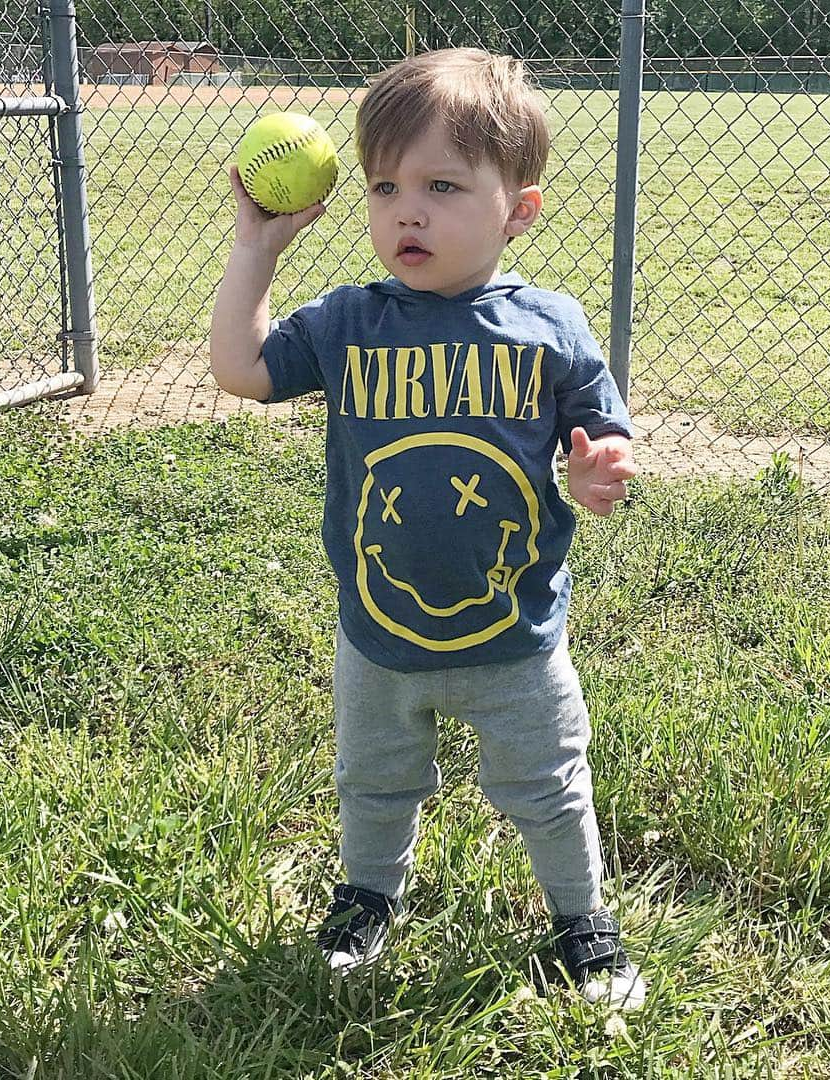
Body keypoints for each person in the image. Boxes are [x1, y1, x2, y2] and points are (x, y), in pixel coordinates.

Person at [210, 47, 645, 1009]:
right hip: (380, 636)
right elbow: (240, 370)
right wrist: (257, 249)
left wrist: (598, 469)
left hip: (513, 637)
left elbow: (601, 433)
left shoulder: (550, 328)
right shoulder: (350, 323)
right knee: (373, 780)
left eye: (442, 185)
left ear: (518, 209)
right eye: (385, 186)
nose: (407, 209)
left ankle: (582, 922)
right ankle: (367, 897)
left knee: (548, 782)